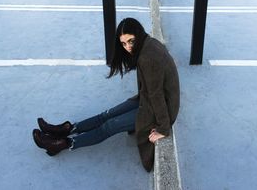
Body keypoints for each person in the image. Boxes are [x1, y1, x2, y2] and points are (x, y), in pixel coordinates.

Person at [32, 17, 180, 172]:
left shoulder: (148, 57)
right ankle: (66, 129)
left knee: (108, 126)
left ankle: (64, 143)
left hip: (159, 108)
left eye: (131, 41)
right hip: (146, 98)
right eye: (123, 43)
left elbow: (157, 96)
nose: (127, 47)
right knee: (106, 115)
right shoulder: (148, 44)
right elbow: (152, 90)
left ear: (139, 34)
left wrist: (163, 128)